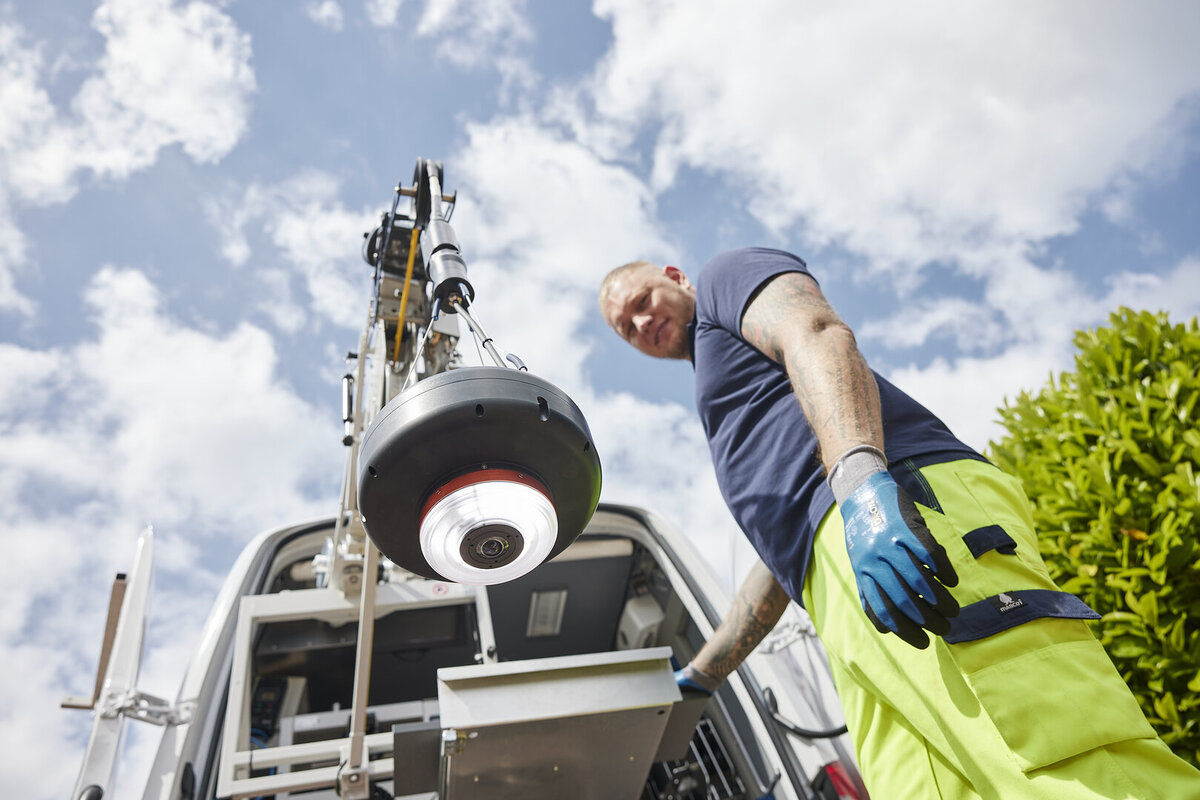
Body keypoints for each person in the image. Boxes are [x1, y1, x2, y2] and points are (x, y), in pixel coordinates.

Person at [598, 247, 1200, 799]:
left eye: (643, 302)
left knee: (1060, 759)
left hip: (906, 504)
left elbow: (817, 332)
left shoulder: (724, 283)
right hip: (835, 580)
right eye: (627, 329)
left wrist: (862, 486)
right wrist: (706, 673)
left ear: (675, 277)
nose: (642, 325)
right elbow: (785, 559)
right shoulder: (719, 393)